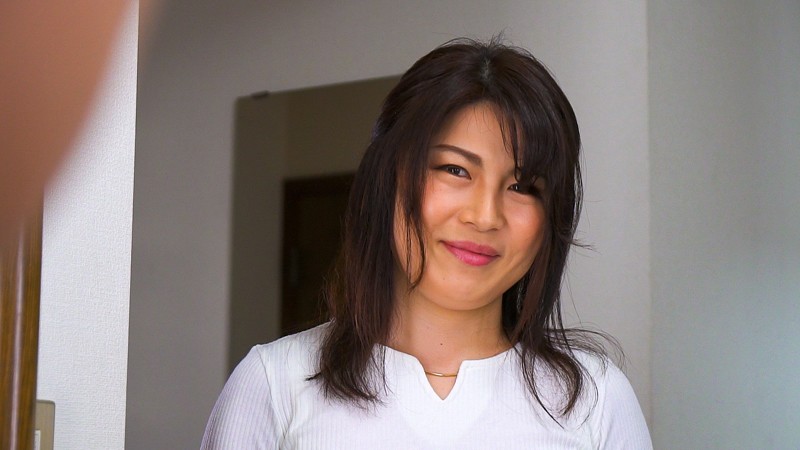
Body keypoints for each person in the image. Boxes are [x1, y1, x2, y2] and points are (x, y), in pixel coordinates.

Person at [201, 37, 652, 449]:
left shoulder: (595, 401)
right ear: (388, 179)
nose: (485, 216)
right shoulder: (275, 385)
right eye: (455, 170)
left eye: (522, 186)